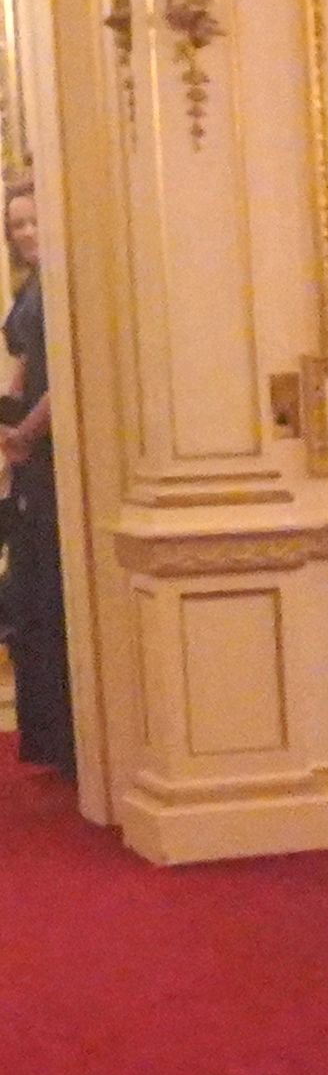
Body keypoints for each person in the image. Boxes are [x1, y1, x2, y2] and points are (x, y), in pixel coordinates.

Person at [1, 177, 74, 779]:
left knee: (48, 592)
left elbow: (65, 377)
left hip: (56, 456)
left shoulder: (65, 287)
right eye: (16, 225)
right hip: (31, 451)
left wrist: (25, 434)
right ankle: (48, 736)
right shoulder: (32, 289)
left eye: (33, 221)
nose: (25, 233)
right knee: (29, 595)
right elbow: (24, 376)